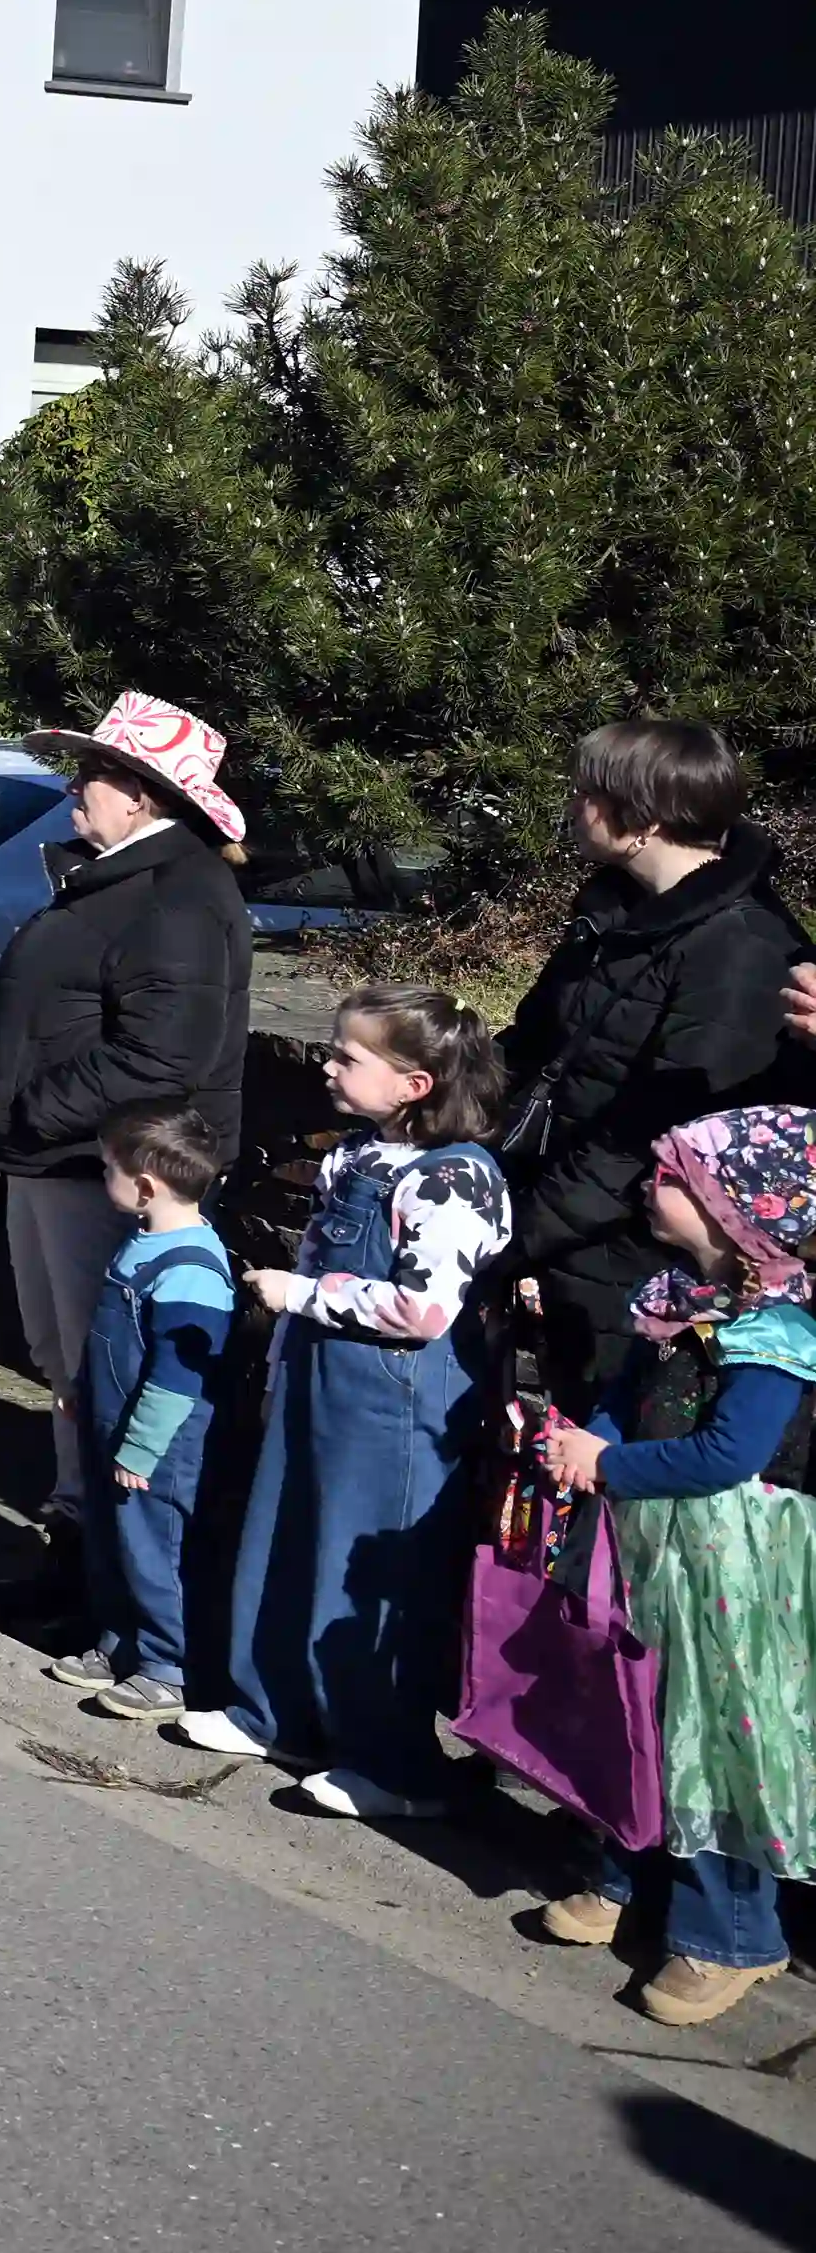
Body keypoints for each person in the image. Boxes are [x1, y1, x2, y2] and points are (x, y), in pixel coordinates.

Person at [176, 987, 510, 1818]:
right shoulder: (360, 1153)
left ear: (414, 1084)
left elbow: (423, 1309)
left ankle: (388, 1757)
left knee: (370, 1563)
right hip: (318, 1377)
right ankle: (277, 1709)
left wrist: (303, 1294)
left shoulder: (456, 1177)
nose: (326, 1064)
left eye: (346, 1056)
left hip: (392, 1395)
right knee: (286, 1531)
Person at [527, 1105, 816, 2027]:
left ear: (737, 1212)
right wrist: (584, 1440)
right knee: (637, 1709)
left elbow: (729, 1453)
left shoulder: (776, 1331)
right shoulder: (676, 1298)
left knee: (719, 1736)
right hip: (655, 1547)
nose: (648, 1188)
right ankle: (624, 1873)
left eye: (672, 1177)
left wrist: (605, 1464)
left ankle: (730, 1931)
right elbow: (624, 1395)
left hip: (730, 1564)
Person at [0, 691, 255, 1518]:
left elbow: (162, 1054)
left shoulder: (176, 894)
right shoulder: (128, 878)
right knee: (64, 1354)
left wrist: (32, 1110)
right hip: (58, 1157)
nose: (74, 789)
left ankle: (107, 1548)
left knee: (105, 1362)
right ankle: (75, 1514)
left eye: (92, 772)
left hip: (100, 1164)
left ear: (143, 794)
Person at [498, 718, 808, 1410]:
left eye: (585, 791)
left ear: (642, 815)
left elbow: (665, 1136)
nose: (573, 805)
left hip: (641, 1263)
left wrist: (517, 1232)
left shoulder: (741, 949)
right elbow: (531, 1048)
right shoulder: (612, 912)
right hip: (565, 1240)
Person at [51, 1102, 234, 1721]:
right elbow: (106, 1337)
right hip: (111, 1423)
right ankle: (117, 1640)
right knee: (111, 1540)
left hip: (155, 1444)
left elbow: (179, 1376)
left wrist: (142, 1446)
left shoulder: (193, 1269)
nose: (104, 1178)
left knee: (154, 1550)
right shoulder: (143, 1244)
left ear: (146, 1185)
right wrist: (81, 1388)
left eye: (109, 1169)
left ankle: (167, 1665)